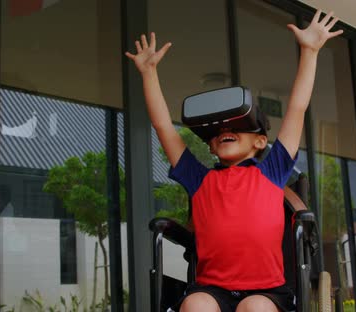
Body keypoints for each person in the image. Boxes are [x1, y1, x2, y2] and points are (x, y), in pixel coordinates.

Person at [125, 9, 342, 312]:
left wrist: (310, 51)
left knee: (254, 309)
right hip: (211, 289)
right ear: (211, 147)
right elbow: (163, 126)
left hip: (267, 292)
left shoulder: (274, 169)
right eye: (215, 131)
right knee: (195, 306)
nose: (224, 130)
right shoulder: (198, 178)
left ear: (260, 141)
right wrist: (149, 73)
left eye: (237, 127)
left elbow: (297, 106)